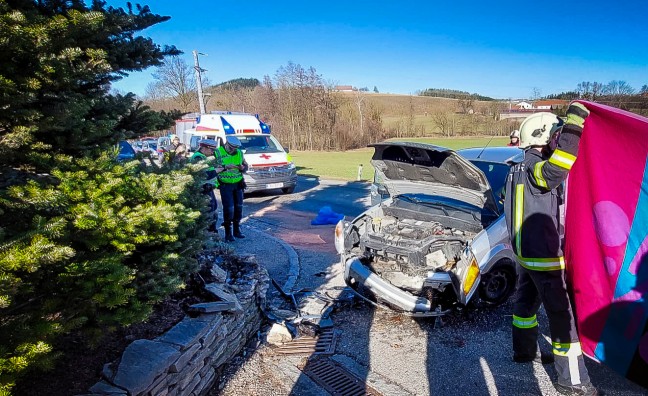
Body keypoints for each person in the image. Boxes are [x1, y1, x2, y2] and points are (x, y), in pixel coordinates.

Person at [504, 103, 598, 396]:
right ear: (543, 137)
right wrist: (574, 125)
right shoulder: (535, 168)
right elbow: (556, 170)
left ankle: (525, 352)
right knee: (562, 316)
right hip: (543, 258)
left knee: (525, 305)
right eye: (555, 135)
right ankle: (572, 382)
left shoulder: (515, 167)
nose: (557, 140)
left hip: (524, 255)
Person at [214, 135, 248, 242]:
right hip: (225, 185)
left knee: (239, 208)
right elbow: (214, 168)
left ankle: (237, 230)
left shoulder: (239, 153)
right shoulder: (218, 153)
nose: (233, 150)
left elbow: (246, 166)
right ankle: (228, 233)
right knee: (229, 209)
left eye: (235, 148)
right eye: (231, 147)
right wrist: (225, 168)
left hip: (238, 184)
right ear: (226, 144)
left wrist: (243, 167)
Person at [191, 139, 220, 235]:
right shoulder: (198, 158)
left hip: (208, 189)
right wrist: (219, 170)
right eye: (211, 150)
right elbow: (204, 174)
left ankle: (212, 233)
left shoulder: (204, 157)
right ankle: (208, 235)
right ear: (204, 148)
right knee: (208, 213)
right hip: (203, 190)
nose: (212, 152)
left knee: (213, 210)